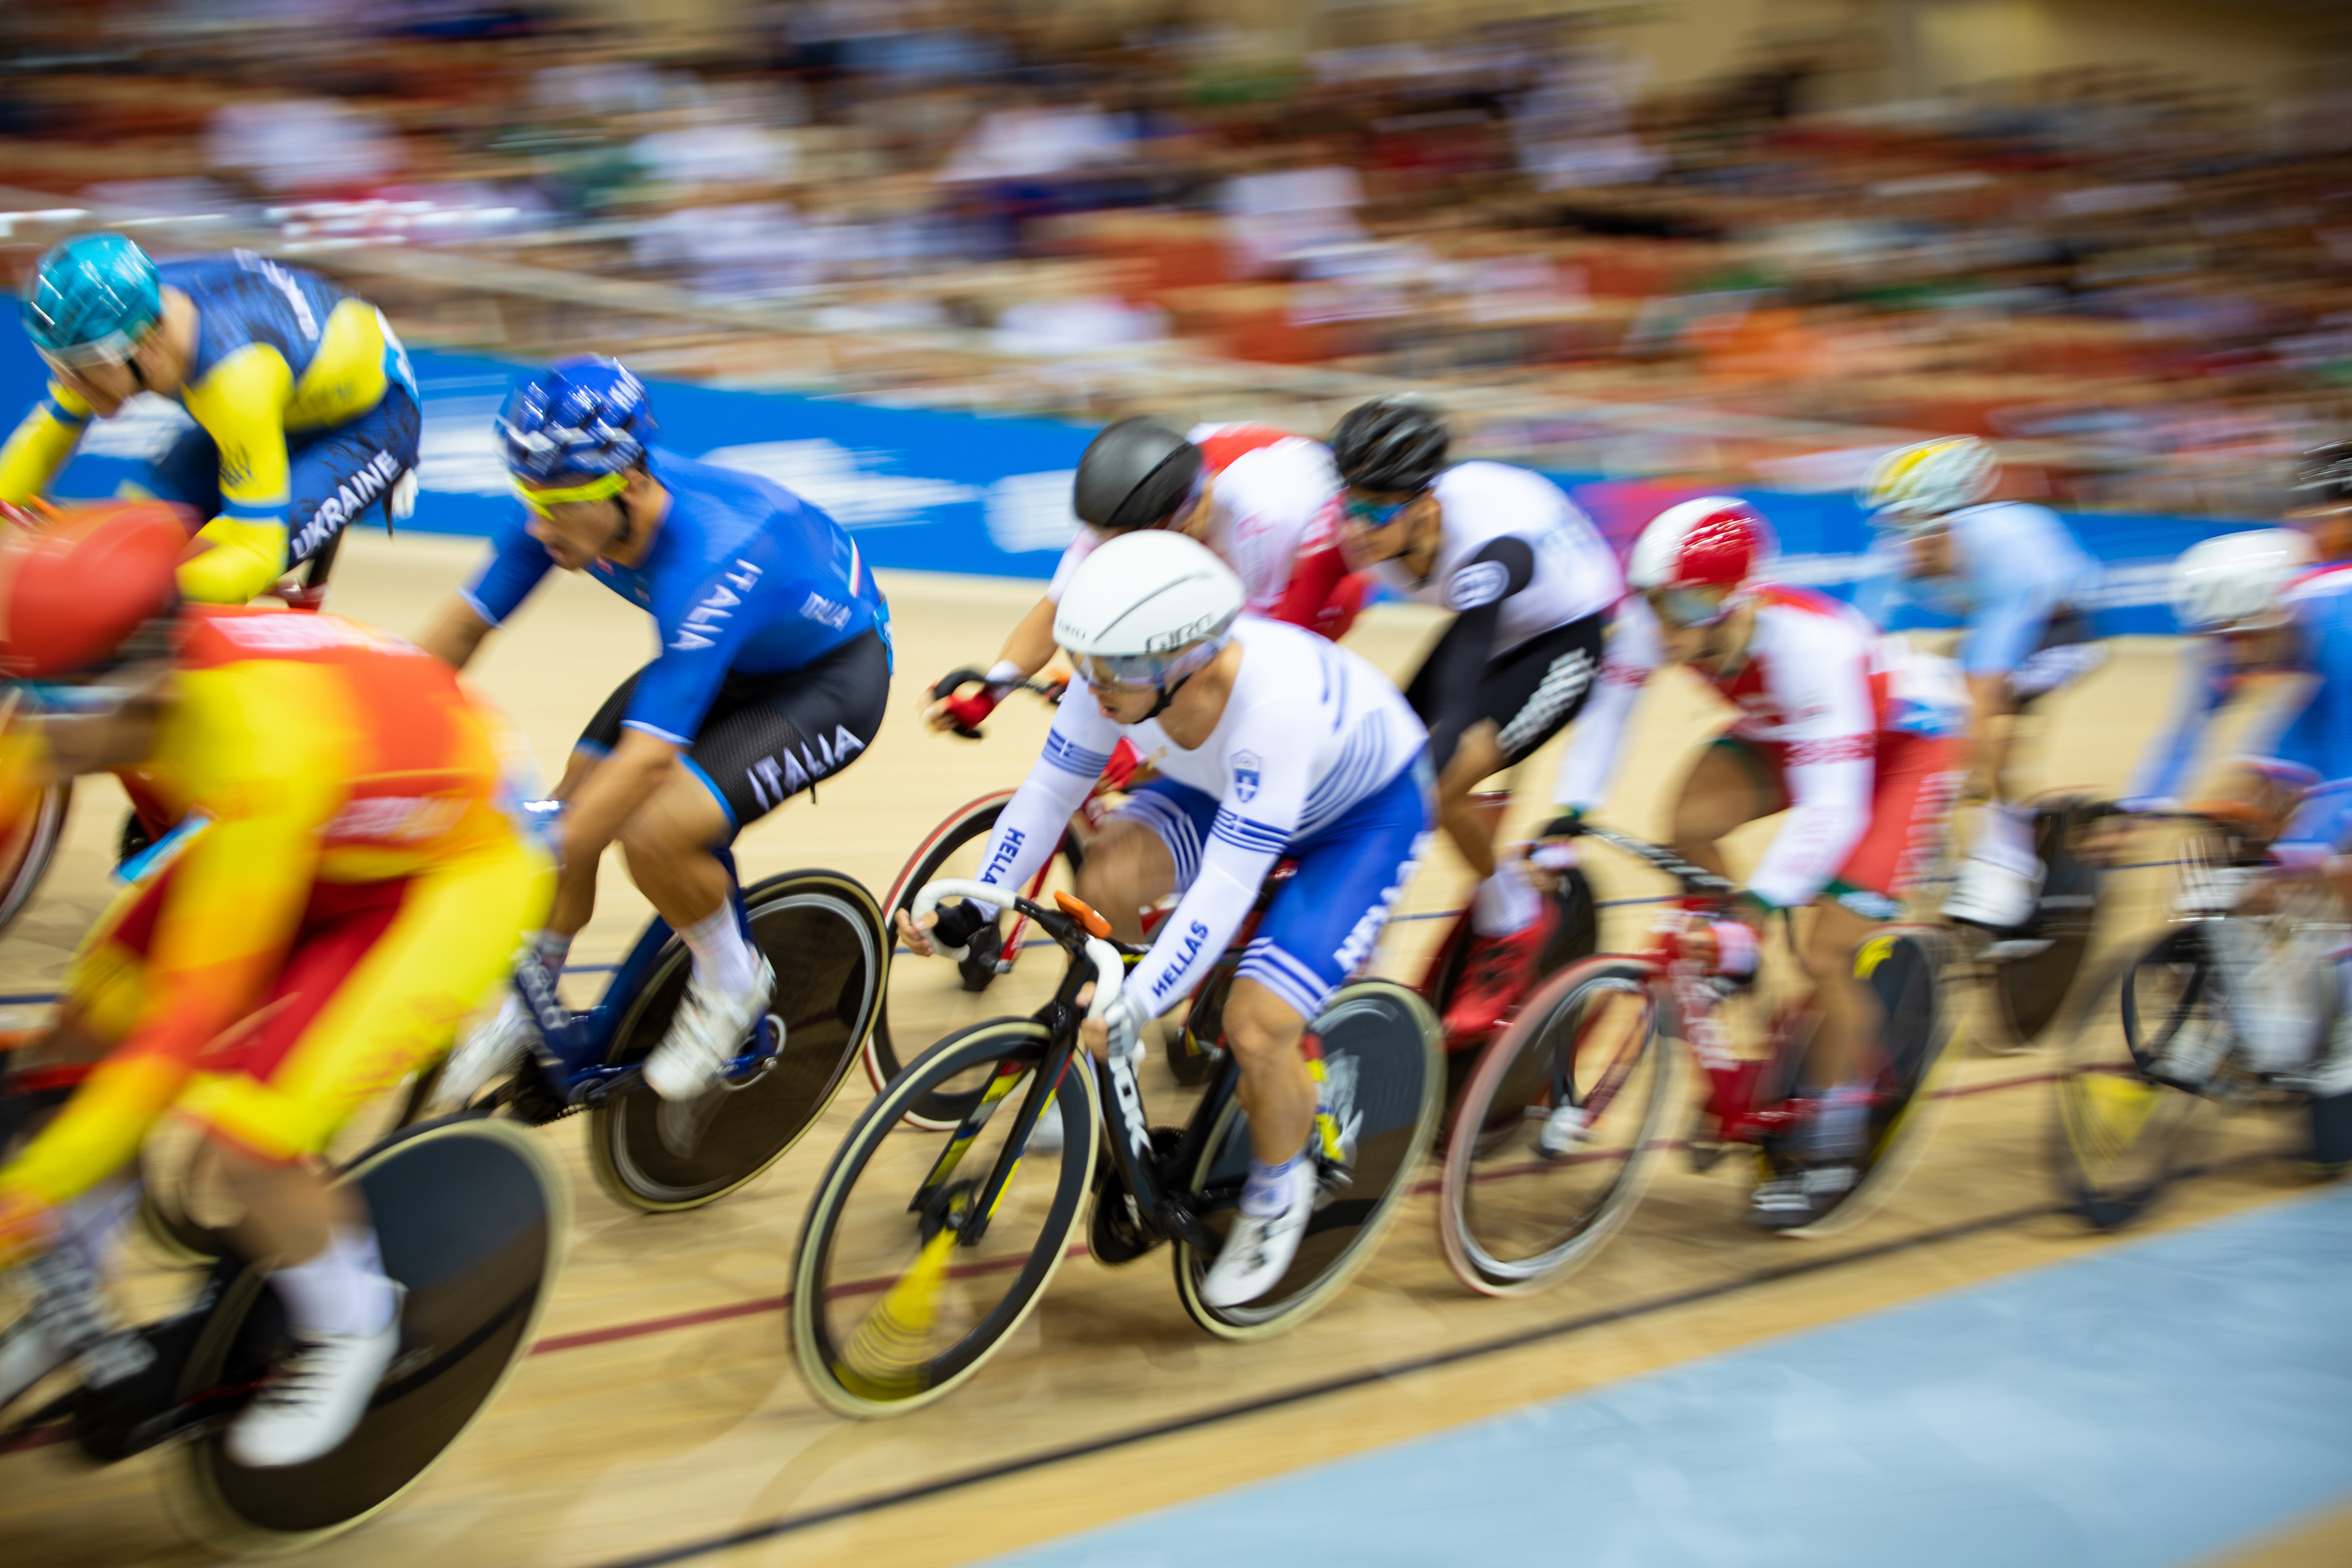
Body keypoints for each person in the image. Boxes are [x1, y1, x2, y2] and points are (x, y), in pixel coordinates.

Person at [0, 503, 553, 1466]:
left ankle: (353, 1325)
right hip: (329, 826)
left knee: (242, 1139)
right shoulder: (127, 681)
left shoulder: (258, 743)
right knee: (83, 1030)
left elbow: (186, 1024)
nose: (23, 725)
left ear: (130, 687)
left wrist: (31, 1194)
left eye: (44, 707)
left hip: (452, 871)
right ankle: (74, 1295)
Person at [896, 532, 1430, 1306]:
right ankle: (1119, 1064)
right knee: (1109, 870)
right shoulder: (1114, 670)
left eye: (1115, 670)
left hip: (1360, 819)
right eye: (1083, 660)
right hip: (1221, 787)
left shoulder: (1271, 710)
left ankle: (1282, 1189)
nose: (1094, 685)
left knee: (1257, 1027)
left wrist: (1135, 1001)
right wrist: (972, 905)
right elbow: (1045, 799)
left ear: (1189, 657)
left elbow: (1224, 886)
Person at [416, 356, 891, 1104]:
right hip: (724, 656)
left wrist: (541, 848)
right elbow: (461, 630)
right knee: (574, 797)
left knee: (651, 829)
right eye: (530, 502)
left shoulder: (715, 552)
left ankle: (733, 985)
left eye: (561, 509)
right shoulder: (565, 494)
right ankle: (528, 1002)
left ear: (632, 485)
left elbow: (643, 765)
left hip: (828, 679)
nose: (540, 528)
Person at [1562, 496, 1967, 1227]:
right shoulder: (1664, 627)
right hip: (1794, 733)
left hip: (1903, 749)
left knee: (1823, 950)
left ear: (1733, 599)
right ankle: (1734, 967)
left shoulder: (1809, 649)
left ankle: (1836, 1130)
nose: (1659, 623)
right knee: (1687, 823)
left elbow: (1832, 810)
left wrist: (1768, 899)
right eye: (1652, 602)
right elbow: (1605, 721)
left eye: (1679, 604)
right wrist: (1570, 815)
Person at [1329, 396, 1626, 1043]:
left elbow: (1462, 683)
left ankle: (1512, 916)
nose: (1358, 526)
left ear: (1427, 506)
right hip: (1495, 623)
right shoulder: (1384, 527)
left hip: (1567, 631)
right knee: (1376, 758)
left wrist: (1419, 782)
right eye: (1350, 504)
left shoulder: (1487, 547)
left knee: (1442, 778)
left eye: (1376, 511)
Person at [0, 234, 420, 606]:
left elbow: (254, 551)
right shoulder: (120, 320)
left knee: (166, 584)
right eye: (56, 363)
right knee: (131, 535)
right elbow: (43, 437)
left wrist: (131, 599)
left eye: (79, 367)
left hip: (373, 420)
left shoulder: (235, 378)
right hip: (292, 389)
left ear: (143, 346)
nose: (66, 381)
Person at [925, 417, 1363, 737]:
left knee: (1242, 696)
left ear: (1182, 522)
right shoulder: (1129, 501)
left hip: (1318, 564)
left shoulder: (1260, 518)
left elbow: (1247, 654)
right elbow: (1057, 608)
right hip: (1230, 504)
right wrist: (990, 694)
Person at [1856, 435, 2101, 931]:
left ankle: (2005, 860)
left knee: (1989, 727)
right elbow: (1858, 643)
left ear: (1951, 522)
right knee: (1924, 704)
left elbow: (1984, 689)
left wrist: (1973, 775)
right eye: (1893, 525)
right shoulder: (1901, 551)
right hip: (1984, 617)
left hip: (2059, 626)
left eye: (1913, 527)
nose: (1900, 542)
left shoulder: (2006, 554)